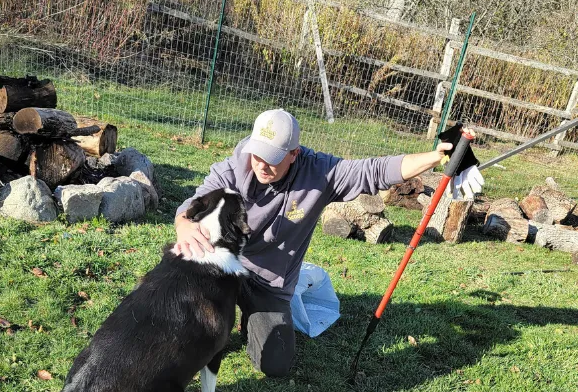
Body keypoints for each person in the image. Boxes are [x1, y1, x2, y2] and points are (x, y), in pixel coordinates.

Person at [175, 109, 481, 377]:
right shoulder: (232, 169)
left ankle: (258, 313)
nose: (262, 165)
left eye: (273, 158)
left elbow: (372, 171)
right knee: (186, 336)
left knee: (276, 365)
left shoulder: (319, 172)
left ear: (294, 153)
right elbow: (192, 205)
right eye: (258, 154)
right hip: (227, 269)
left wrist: (436, 156)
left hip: (270, 281)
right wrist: (183, 224)